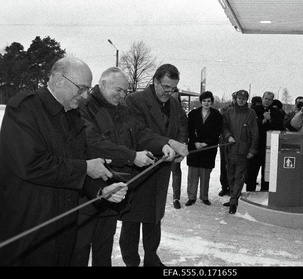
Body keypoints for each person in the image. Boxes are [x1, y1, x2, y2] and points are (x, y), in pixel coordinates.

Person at [0, 57, 127, 266]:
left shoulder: (73, 116)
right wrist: (86, 167)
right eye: (81, 88)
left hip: (64, 227)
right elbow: (31, 164)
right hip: (30, 228)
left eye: (87, 89)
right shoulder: (24, 109)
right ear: (59, 79)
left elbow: (78, 165)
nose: (85, 95)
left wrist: (101, 190)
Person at [71, 67, 176, 266]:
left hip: (114, 189)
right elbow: (92, 143)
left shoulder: (121, 109)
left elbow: (140, 132)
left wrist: (163, 143)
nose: (122, 95)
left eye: (125, 91)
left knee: (104, 247)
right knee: (81, 248)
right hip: (88, 191)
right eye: (118, 90)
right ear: (102, 84)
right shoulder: (84, 107)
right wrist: (131, 156)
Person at [120, 63, 189, 267]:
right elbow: (138, 133)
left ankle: (152, 258)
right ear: (155, 81)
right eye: (166, 87)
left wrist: (180, 147)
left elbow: (181, 126)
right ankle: (131, 261)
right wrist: (167, 143)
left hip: (162, 170)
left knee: (154, 218)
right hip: (140, 169)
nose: (169, 92)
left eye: (173, 88)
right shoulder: (135, 101)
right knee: (132, 221)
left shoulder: (175, 104)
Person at [222, 90, 258, 214]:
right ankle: (233, 196)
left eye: (243, 98)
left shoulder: (251, 113)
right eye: (239, 98)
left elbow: (255, 133)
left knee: (239, 177)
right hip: (230, 149)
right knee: (230, 176)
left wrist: (252, 150)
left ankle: (234, 201)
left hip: (243, 151)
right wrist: (228, 136)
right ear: (235, 99)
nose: (241, 100)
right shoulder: (229, 112)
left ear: (247, 100)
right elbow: (224, 126)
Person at [185, 91, 223, 206]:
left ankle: (204, 196)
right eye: (204, 101)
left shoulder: (216, 115)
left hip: (208, 148)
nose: (206, 103)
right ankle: (191, 196)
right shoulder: (193, 114)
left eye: (209, 101)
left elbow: (217, 131)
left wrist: (207, 143)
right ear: (201, 101)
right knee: (193, 173)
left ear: (212, 102)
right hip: (195, 147)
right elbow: (190, 130)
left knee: (205, 174)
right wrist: (195, 142)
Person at [246, 91, 284, 192]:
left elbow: (280, 126)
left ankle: (264, 194)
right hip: (255, 147)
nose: (267, 101)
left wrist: (270, 119)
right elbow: (250, 125)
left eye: (270, 99)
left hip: (269, 147)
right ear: (262, 99)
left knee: (266, 174)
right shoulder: (253, 110)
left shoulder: (276, 112)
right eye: (266, 99)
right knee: (251, 174)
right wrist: (263, 120)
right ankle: (250, 194)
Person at [170, 89, 189, 209]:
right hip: (160, 146)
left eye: (176, 98)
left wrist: (182, 147)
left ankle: (176, 197)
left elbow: (184, 131)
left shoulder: (180, 113)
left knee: (175, 171)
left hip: (176, 146)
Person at [218, 92, 237, 197]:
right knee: (224, 166)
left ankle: (232, 187)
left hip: (237, 142)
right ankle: (224, 187)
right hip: (225, 141)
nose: (236, 100)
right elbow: (222, 125)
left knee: (233, 166)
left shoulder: (245, 111)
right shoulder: (225, 110)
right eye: (234, 98)